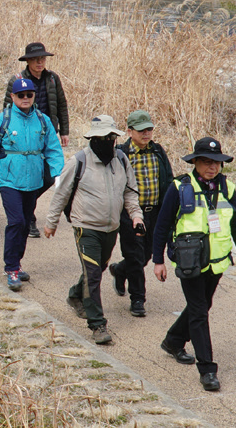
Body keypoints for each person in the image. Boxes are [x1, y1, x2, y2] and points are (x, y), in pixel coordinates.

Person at [152, 137, 236, 392]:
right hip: (189, 261)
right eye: (205, 162)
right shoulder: (179, 187)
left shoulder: (229, 189)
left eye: (216, 163)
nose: (211, 167)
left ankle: (173, 340)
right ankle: (208, 369)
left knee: (201, 305)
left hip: (217, 262)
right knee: (200, 312)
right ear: (195, 163)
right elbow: (162, 225)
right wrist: (158, 260)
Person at [44, 115, 143, 345]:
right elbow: (61, 194)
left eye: (111, 137)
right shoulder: (78, 161)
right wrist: (51, 222)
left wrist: (136, 215)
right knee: (93, 274)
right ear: (93, 138)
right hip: (85, 226)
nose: (108, 141)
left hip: (112, 227)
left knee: (97, 268)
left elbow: (129, 192)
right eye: (102, 137)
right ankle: (97, 325)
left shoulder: (121, 160)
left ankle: (76, 295)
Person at [0, 78, 63, 292]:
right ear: (13, 97)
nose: (25, 99)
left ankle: (17, 262)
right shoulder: (2, 120)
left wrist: (57, 173)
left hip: (33, 180)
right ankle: (11, 268)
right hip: (9, 179)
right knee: (16, 222)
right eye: (21, 95)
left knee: (26, 224)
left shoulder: (42, 120)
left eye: (29, 95)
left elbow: (53, 148)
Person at [108, 110, 173, 318]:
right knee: (135, 256)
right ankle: (138, 299)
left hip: (154, 213)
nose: (147, 134)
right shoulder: (121, 153)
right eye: (142, 130)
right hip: (130, 214)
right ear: (129, 131)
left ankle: (119, 270)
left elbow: (168, 179)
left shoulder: (158, 151)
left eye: (149, 129)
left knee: (146, 255)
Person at [4, 42, 70, 238]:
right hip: (24, 137)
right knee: (27, 175)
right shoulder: (17, 80)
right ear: (28, 61)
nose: (40, 62)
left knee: (49, 176)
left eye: (42, 59)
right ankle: (28, 217)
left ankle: (28, 207)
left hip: (47, 135)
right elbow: (7, 112)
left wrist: (64, 131)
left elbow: (61, 104)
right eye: (36, 59)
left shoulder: (52, 79)